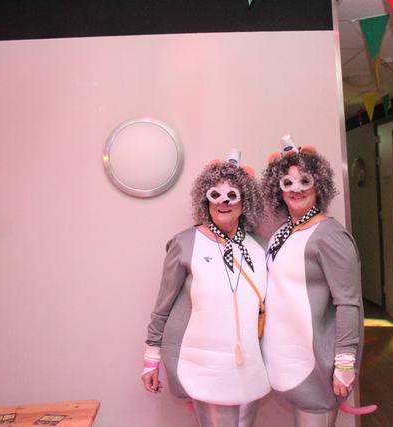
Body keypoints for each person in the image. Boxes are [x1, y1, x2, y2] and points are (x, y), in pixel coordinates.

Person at [141, 150, 270, 427]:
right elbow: (162, 307)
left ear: (245, 201)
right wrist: (151, 359)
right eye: (216, 194)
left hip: (251, 366)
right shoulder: (185, 243)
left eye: (232, 195)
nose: (224, 202)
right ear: (205, 198)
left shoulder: (260, 246)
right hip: (205, 366)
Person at [260, 136, 364, 427]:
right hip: (285, 359)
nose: (297, 189)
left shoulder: (330, 236)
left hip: (316, 363)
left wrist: (345, 362)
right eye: (288, 183)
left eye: (305, 181)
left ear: (319, 184)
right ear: (278, 189)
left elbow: (348, 303)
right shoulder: (282, 233)